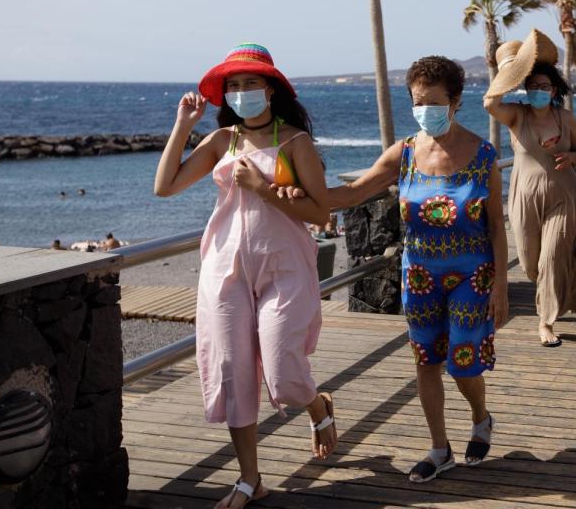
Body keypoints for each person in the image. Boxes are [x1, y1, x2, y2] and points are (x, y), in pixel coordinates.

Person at [276, 56, 509, 483]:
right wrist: (293, 192)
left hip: (472, 275)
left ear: (456, 101)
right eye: (418, 102)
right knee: (426, 361)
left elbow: (496, 224)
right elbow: (349, 194)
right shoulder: (403, 153)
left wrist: (501, 288)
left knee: (464, 364)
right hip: (420, 274)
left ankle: (480, 416)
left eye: (434, 103)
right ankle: (440, 449)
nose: (425, 111)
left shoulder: (483, 154)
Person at [153, 43, 335, 508]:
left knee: (284, 370)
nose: (240, 92)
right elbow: (165, 187)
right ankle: (250, 479)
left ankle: (317, 404)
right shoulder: (222, 141)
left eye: (250, 83)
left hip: (285, 264)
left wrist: (265, 188)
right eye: (232, 86)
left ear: (270, 89)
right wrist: (182, 127)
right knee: (233, 369)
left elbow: (322, 214)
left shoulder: (296, 142)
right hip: (224, 266)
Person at [482, 29, 576, 347]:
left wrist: (572, 156)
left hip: (565, 195)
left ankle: (545, 322)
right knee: (532, 264)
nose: (538, 91)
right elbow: (490, 102)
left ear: (555, 89)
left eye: (544, 87)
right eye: (532, 86)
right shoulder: (516, 114)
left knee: (552, 258)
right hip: (524, 197)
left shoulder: (565, 118)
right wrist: (510, 70)